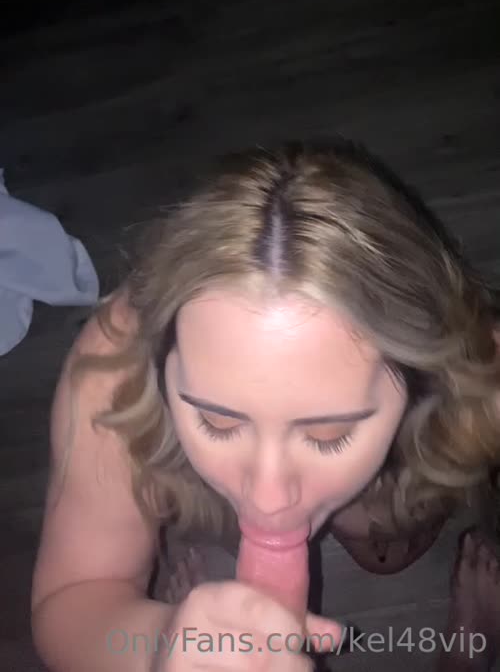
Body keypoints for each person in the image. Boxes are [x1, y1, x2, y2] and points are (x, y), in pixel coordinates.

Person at [31, 137, 500, 672]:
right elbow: (74, 597)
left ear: (425, 377)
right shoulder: (114, 365)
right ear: (161, 363)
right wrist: (160, 643)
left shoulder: (482, 370)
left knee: (386, 550)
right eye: (216, 422)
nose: (268, 498)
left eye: (328, 435)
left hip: (411, 461)